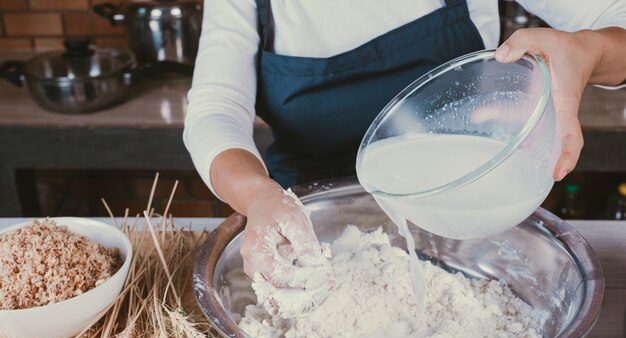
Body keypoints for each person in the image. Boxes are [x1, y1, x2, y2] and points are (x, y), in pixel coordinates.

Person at [184, 0, 626, 285]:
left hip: (466, 222)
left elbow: (615, 18)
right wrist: (256, 194)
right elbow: (215, 108)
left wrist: (590, 51)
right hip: (312, 235)